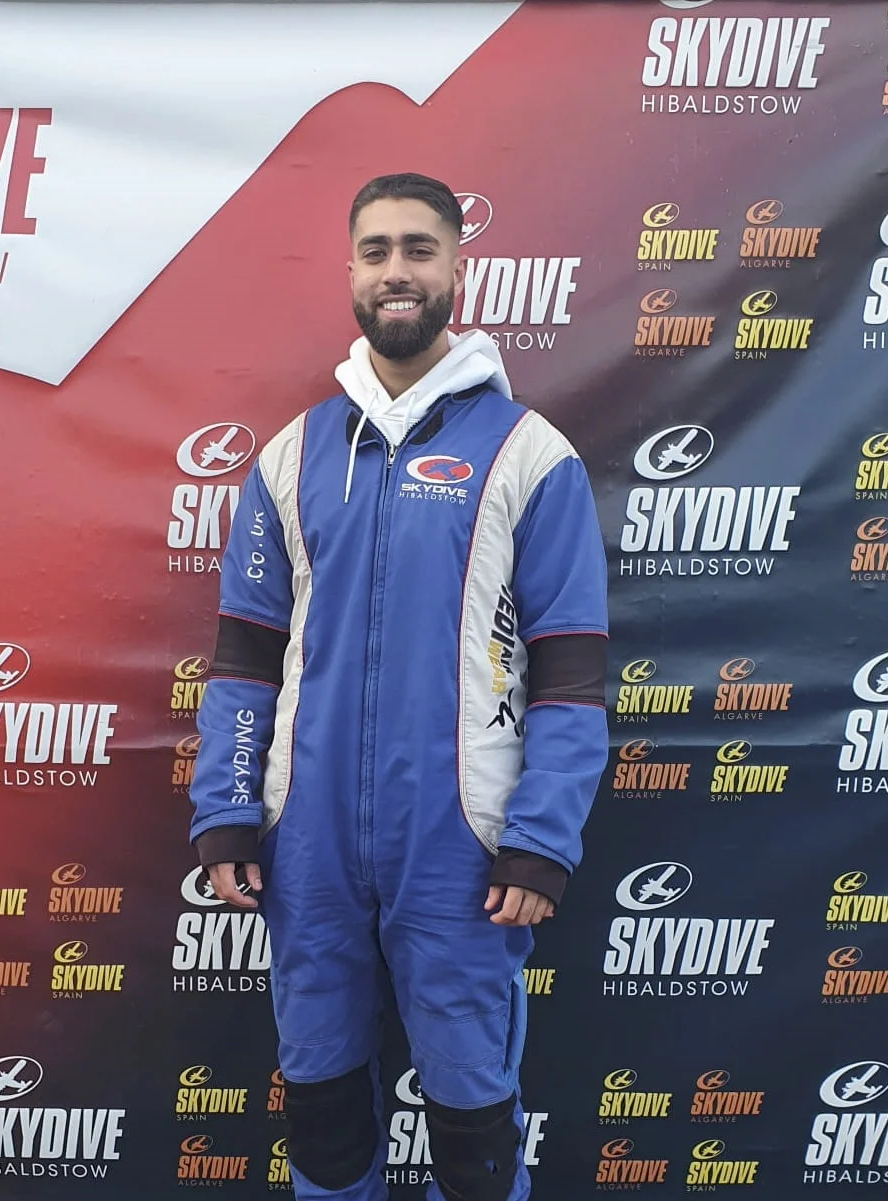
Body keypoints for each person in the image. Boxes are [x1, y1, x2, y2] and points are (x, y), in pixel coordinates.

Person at [186, 172, 608, 1201]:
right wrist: (229, 810)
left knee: (471, 1118)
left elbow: (573, 673)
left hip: (461, 842)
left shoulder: (530, 454)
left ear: (459, 266)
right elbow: (245, 656)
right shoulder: (289, 457)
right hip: (309, 840)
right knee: (322, 1105)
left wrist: (541, 838)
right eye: (376, 250)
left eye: (420, 248)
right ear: (351, 271)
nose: (397, 271)